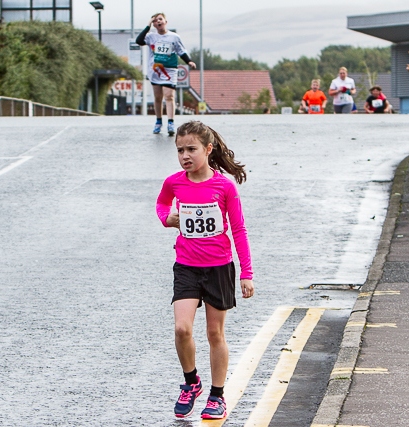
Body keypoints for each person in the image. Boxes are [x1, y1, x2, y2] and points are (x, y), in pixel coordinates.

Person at [155, 121, 254, 420]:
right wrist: (167, 218)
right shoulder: (174, 182)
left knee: (214, 333)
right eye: (180, 150)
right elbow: (161, 205)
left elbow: (238, 229)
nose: (185, 156)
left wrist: (246, 274)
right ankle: (191, 382)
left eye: (191, 149)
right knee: (181, 329)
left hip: (218, 267)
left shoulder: (224, 186)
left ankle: (217, 395)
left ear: (208, 150)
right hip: (186, 265)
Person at [136, 13, 196, 135]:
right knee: (158, 97)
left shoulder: (174, 37)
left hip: (170, 71)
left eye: (160, 19)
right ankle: (158, 121)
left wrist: (189, 61)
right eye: (155, 21)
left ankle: (170, 122)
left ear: (165, 21)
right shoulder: (151, 36)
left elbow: (181, 51)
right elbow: (139, 41)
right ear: (153, 24)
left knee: (169, 96)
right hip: (155, 70)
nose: (158, 22)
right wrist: (148, 25)